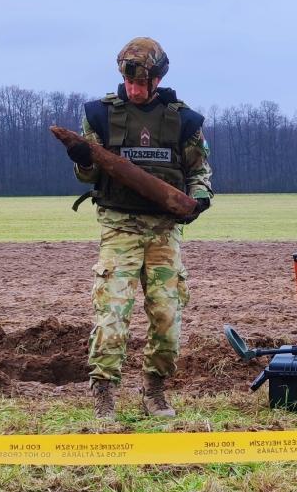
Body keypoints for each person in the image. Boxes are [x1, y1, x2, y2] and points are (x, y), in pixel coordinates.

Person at [65, 36, 212, 418]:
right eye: (129, 82)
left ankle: (155, 390)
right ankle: (104, 394)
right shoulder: (99, 115)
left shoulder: (185, 120)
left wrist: (200, 198)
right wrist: (83, 161)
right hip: (119, 227)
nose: (134, 89)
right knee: (112, 312)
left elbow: (199, 171)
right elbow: (88, 176)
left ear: (157, 79)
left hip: (164, 231)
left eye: (142, 83)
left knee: (167, 316)